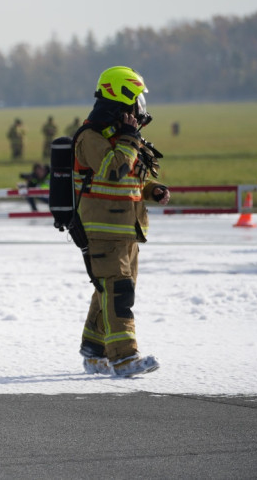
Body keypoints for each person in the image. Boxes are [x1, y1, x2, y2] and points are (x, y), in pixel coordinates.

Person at [74, 66, 170, 377]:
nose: (140, 108)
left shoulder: (122, 138)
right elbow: (112, 171)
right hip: (102, 231)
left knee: (109, 291)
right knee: (118, 292)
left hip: (127, 231)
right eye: (136, 101)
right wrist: (129, 140)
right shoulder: (90, 137)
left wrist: (151, 190)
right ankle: (125, 359)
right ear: (121, 100)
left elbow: (126, 180)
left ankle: (93, 351)